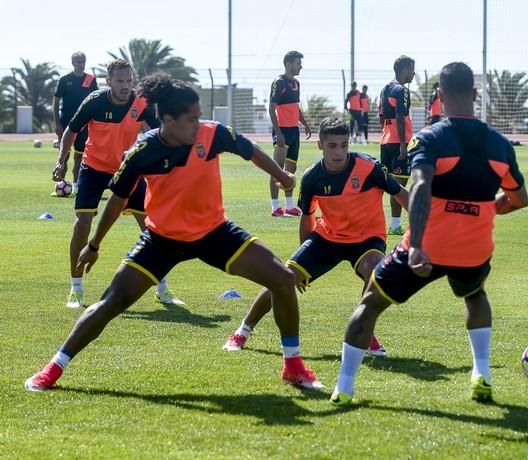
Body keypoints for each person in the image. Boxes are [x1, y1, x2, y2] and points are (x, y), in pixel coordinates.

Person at [25, 74, 321, 392]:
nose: (199, 124)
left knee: (282, 278)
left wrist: (282, 176)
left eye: (198, 117)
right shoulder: (143, 151)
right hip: (161, 239)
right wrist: (95, 244)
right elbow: (117, 201)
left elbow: (249, 150)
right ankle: (53, 369)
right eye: (191, 119)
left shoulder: (212, 134)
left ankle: (293, 365)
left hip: (214, 232)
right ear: (167, 120)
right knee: (111, 302)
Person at [330, 62, 528, 406]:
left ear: (439, 94)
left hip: (427, 246)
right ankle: (482, 372)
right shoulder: (500, 145)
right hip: (474, 248)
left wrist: (418, 245)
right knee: (475, 295)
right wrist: (488, 208)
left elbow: (420, 186)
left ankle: (344, 388)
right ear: (475, 94)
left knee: (371, 303)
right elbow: (519, 199)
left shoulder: (431, 138)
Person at [224, 116, 408, 356]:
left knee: (374, 269)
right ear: (320, 145)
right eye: (332, 146)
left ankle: (364, 332)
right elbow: (307, 217)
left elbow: (401, 194)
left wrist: (423, 226)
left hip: (366, 238)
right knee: (284, 276)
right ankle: (242, 330)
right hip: (327, 238)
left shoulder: (370, 167)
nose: (339, 152)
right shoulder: (312, 177)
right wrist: (304, 261)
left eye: (344, 145)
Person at [52, 59, 183, 309]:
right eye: (120, 81)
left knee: (151, 228)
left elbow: (161, 133)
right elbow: (71, 130)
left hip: (128, 169)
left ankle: (162, 288)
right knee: (82, 225)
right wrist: (62, 160)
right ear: (108, 82)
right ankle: (76, 289)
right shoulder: (94, 102)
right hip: (93, 168)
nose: (125, 86)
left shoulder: (141, 102)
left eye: (129, 81)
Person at [268, 50, 312, 217]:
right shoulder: (278, 82)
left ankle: (290, 206)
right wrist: (278, 132)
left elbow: (296, 107)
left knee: (290, 169)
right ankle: (275, 207)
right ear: (288, 64)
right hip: (283, 131)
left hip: (294, 131)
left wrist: (305, 124)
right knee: (276, 169)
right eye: (298, 63)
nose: (300, 66)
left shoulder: (296, 83)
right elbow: (271, 108)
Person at [379, 55, 415, 235]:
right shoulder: (402, 90)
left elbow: (381, 116)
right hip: (400, 142)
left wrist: (388, 133)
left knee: (385, 184)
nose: (414, 73)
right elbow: (400, 116)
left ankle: (380, 223)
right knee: (399, 186)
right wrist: (402, 144)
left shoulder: (385, 89)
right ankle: (394, 226)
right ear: (406, 69)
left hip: (385, 141)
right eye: (412, 69)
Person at [52, 51, 98, 188]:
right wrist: (57, 122)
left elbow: (95, 99)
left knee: (79, 156)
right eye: (78, 61)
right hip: (66, 122)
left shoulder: (90, 79)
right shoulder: (64, 80)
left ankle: (76, 186)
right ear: (72, 63)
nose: (81, 64)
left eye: (83, 61)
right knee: (64, 155)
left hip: (84, 123)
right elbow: (55, 103)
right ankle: (61, 184)